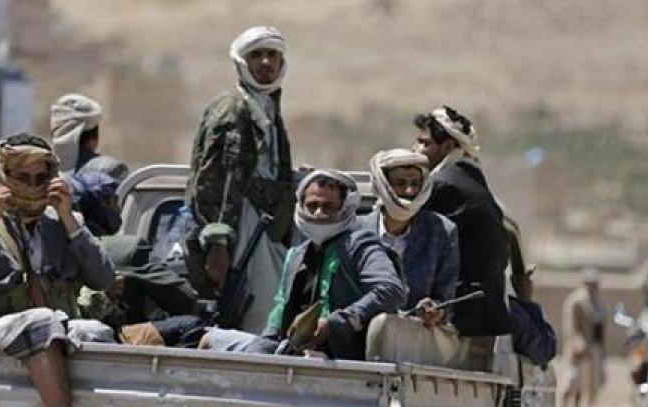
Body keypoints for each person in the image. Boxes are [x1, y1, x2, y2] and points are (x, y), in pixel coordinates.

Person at [0, 133, 115, 407]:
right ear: (4, 177)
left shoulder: (64, 224)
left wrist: (69, 219)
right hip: (1, 344)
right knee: (40, 320)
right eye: (22, 178)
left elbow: (103, 278)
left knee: (93, 330)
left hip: (58, 335)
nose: (33, 186)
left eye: (40, 178)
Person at [199, 170, 407, 360]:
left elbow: (390, 290)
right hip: (289, 351)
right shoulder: (296, 255)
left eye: (327, 207)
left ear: (344, 208)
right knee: (208, 339)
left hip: (338, 359)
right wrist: (260, 357)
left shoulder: (359, 245)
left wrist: (336, 323)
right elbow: (277, 319)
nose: (318, 213)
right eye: (312, 206)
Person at [184, 26, 296, 333]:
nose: (265, 63)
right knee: (251, 320)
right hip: (241, 230)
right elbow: (214, 180)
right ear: (242, 62)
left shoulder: (266, 105)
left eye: (272, 55)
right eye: (256, 55)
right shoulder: (233, 108)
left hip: (264, 228)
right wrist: (218, 243)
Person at [413, 106, 510, 338]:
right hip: (483, 313)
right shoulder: (470, 178)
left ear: (447, 147)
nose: (416, 150)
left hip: (461, 315)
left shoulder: (445, 186)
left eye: (424, 143)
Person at [359, 148, 459, 322]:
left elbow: (446, 300)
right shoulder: (355, 232)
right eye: (400, 183)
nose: (409, 191)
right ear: (383, 185)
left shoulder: (441, 231)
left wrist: (435, 311)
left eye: (415, 184)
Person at [561, 268, 607, 407]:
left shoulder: (598, 302)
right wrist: (577, 341)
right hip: (577, 349)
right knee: (571, 379)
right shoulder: (576, 301)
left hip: (592, 347)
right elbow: (570, 326)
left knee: (584, 382)